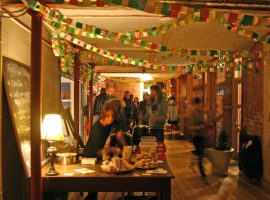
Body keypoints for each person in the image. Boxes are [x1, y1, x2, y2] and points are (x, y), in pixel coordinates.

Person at [83, 102, 127, 200]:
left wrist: (121, 137)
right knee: (94, 190)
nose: (110, 119)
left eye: (113, 116)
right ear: (103, 115)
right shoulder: (97, 129)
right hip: (90, 159)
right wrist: (115, 149)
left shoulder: (110, 122)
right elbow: (99, 151)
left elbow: (120, 125)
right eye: (108, 116)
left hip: (100, 157)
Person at [188, 97, 207, 182]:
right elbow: (191, 126)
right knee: (200, 155)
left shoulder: (201, 112)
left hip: (202, 134)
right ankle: (203, 174)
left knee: (200, 153)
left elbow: (204, 122)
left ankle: (194, 164)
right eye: (199, 103)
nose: (201, 105)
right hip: (196, 136)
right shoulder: (193, 113)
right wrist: (200, 126)